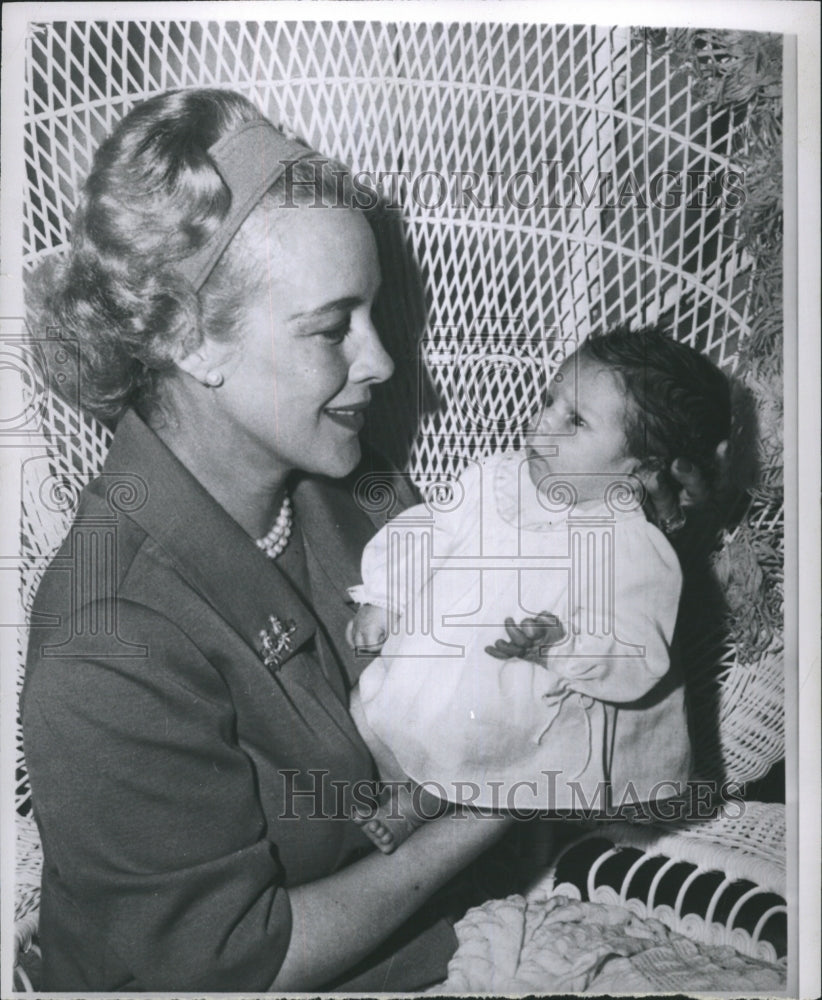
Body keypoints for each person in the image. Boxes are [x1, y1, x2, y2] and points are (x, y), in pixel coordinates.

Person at [21, 87, 714, 992]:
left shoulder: (358, 476)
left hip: (449, 931)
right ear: (192, 340)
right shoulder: (107, 642)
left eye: (376, 313)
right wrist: (512, 794)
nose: (383, 362)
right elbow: (232, 970)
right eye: (330, 326)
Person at [347, 328, 731, 853]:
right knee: (372, 708)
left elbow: (638, 650)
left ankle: (425, 804)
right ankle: (409, 784)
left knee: (469, 742)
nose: (544, 420)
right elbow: (431, 527)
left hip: (516, 690)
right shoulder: (498, 477)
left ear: (636, 468)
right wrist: (385, 593)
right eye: (551, 399)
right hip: (436, 654)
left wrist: (559, 645)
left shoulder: (628, 544)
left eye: (575, 421)